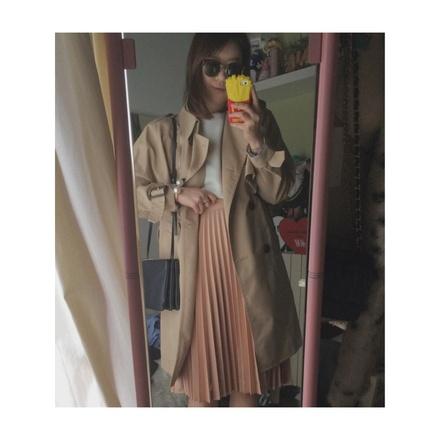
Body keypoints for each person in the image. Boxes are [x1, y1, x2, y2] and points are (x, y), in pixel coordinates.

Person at [133, 33, 303, 407]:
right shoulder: (163, 132)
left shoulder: (261, 119)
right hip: (194, 258)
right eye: (213, 66)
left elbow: (279, 191)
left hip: (248, 252)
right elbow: (132, 194)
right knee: (203, 386)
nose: (222, 77)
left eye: (233, 68)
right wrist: (177, 194)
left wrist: (256, 140)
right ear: (196, 67)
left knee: (247, 378)